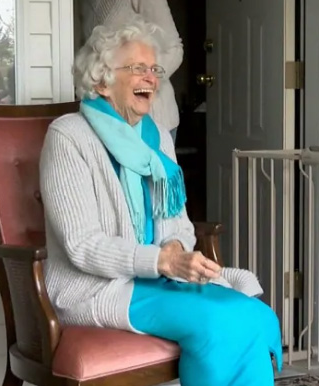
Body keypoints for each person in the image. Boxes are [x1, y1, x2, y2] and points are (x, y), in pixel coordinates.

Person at [40, 19, 282, 386]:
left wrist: (174, 247)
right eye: (137, 68)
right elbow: (81, 245)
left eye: (154, 69)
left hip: (157, 281)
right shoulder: (68, 136)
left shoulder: (156, 140)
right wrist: (162, 260)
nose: (151, 78)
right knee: (220, 322)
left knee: (251, 313)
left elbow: (178, 222)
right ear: (102, 80)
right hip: (97, 288)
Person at [80, 0, 183, 145]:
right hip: (107, 114)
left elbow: (174, 48)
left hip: (154, 117)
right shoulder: (83, 4)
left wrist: (142, 79)